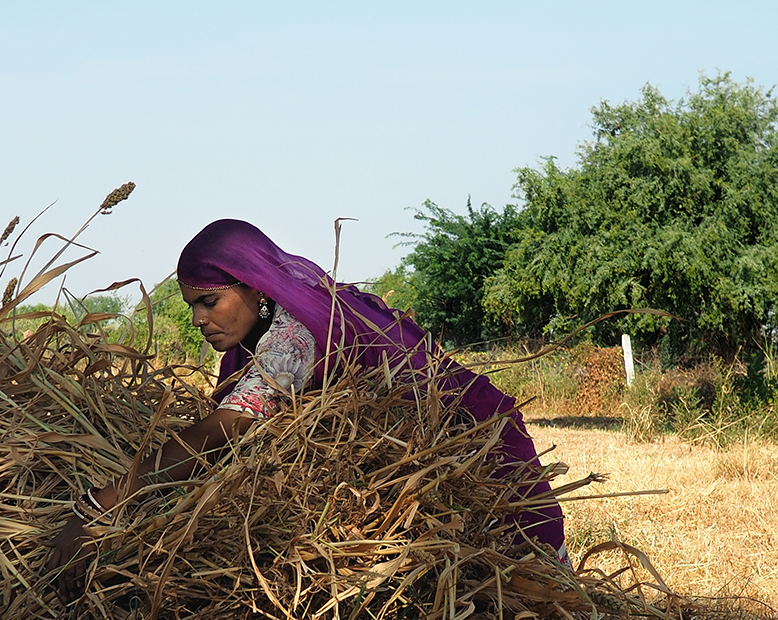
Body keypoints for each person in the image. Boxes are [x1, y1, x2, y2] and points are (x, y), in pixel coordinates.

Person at [46, 218, 566, 592]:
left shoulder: (294, 334)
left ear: (253, 288)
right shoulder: (271, 327)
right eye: (193, 306)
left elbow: (221, 430)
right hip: (423, 457)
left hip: (473, 447)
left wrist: (98, 504)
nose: (201, 319)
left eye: (211, 301)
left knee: (529, 591)